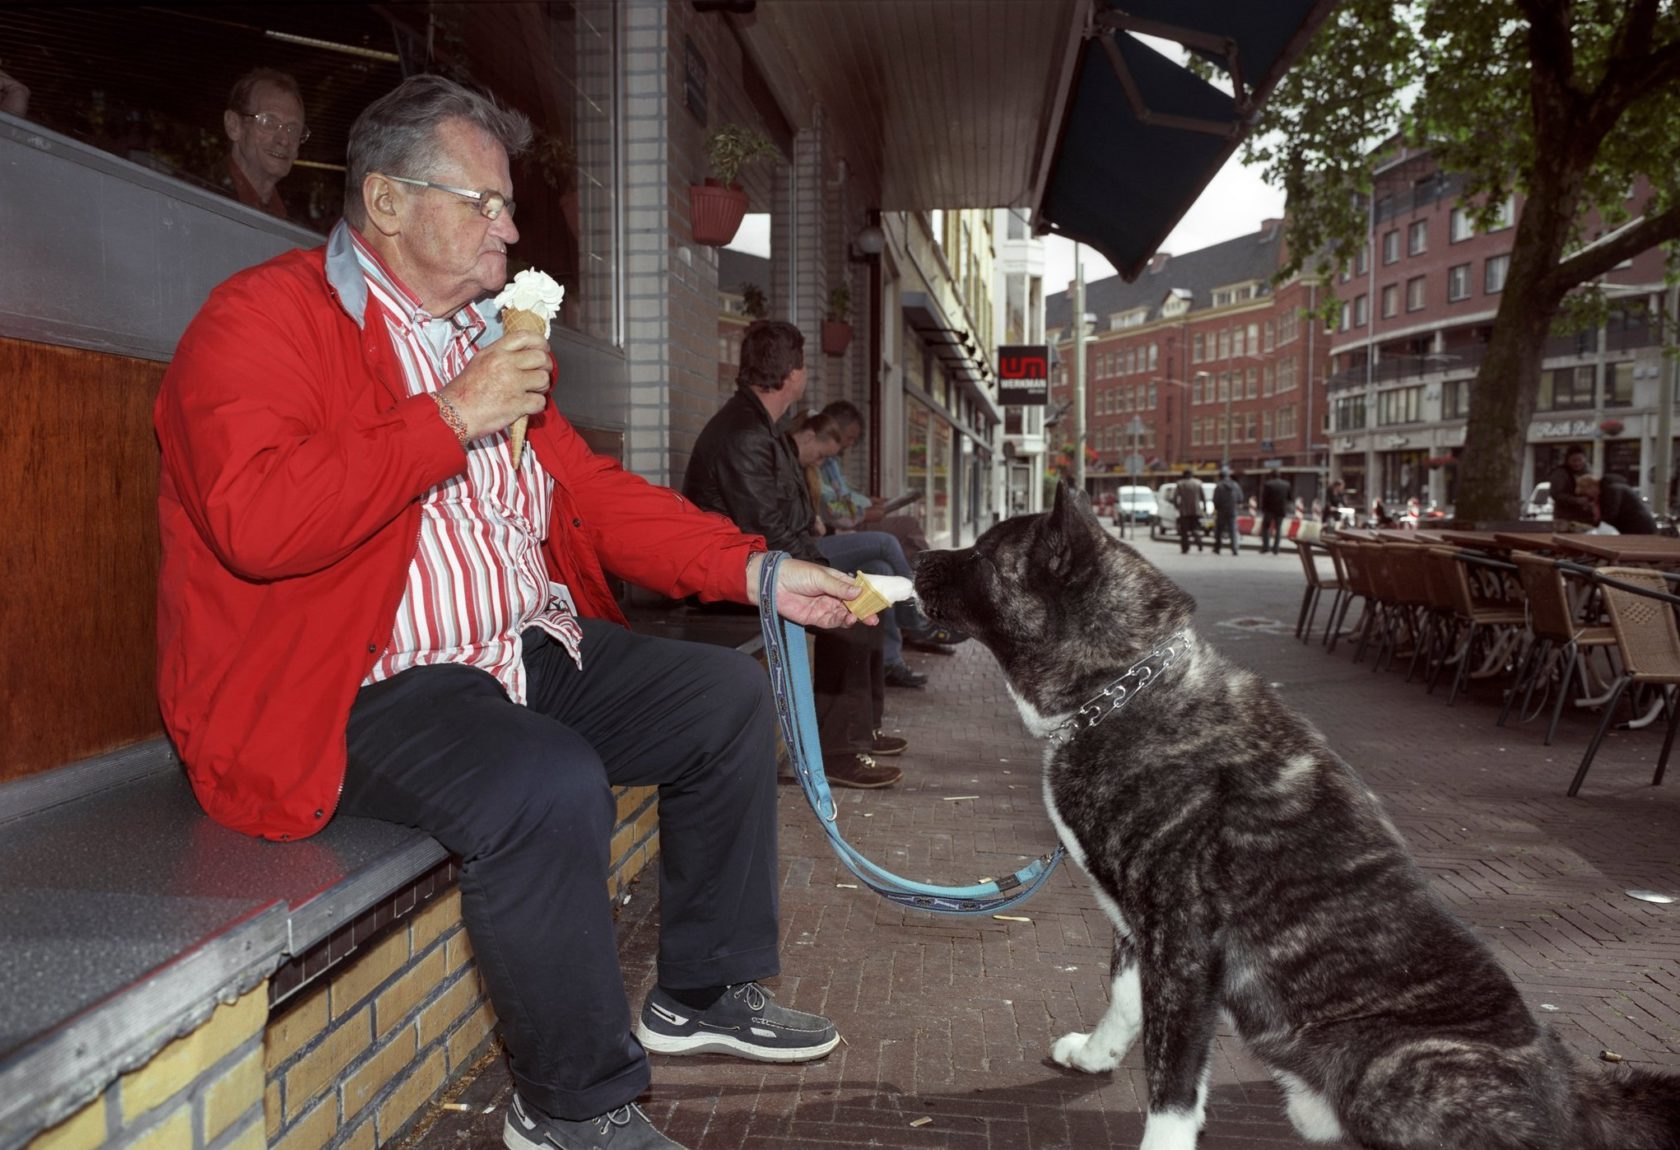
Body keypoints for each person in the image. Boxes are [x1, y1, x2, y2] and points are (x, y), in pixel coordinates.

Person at [155, 75, 867, 1150]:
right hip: (361, 682)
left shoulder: (481, 338)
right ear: (387, 203)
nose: (511, 227)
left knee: (723, 693)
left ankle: (704, 991)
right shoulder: (261, 320)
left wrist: (758, 572)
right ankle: (570, 1106)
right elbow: (256, 519)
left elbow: (597, 500)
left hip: (519, 650)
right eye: (483, 203)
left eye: (508, 206)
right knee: (543, 780)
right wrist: (449, 416)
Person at [683, 320, 906, 788]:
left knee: (866, 606)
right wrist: (825, 574)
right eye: (804, 365)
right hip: (730, 577)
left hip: (753, 565)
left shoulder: (760, 426)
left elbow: (785, 524)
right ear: (792, 375)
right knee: (851, 621)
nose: (806, 374)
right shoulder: (745, 433)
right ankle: (835, 754)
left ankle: (856, 737)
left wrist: (825, 569)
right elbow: (764, 530)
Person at [789, 411, 932, 688]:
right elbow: (827, 511)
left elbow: (835, 501)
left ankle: (890, 660)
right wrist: (818, 520)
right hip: (809, 547)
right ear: (808, 438)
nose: (823, 461)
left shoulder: (809, 465)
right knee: (887, 542)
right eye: (822, 455)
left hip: (821, 538)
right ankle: (917, 614)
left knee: (882, 570)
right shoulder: (795, 466)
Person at [221, 67, 306, 220]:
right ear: (233, 125)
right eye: (269, 122)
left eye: (293, 129)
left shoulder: (298, 222)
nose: (284, 140)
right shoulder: (194, 193)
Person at [1548, 446, 1598, 531]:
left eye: (1580, 460)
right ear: (1567, 460)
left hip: (1585, 518)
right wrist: (1576, 500)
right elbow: (1555, 494)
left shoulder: (1588, 471)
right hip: (1565, 518)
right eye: (1574, 460)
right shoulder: (1560, 473)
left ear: (1585, 459)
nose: (1577, 463)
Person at [1211, 468, 1243, 556]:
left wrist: (1217, 508)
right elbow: (1240, 498)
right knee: (1233, 530)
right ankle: (1234, 548)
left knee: (1219, 531)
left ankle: (1217, 548)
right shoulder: (1235, 485)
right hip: (1232, 510)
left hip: (1221, 511)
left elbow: (1215, 499)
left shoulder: (1219, 486)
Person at [1172, 468, 1205, 554]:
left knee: (1184, 531)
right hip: (1196, 510)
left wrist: (1177, 506)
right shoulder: (1198, 483)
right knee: (1195, 528)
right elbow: (1203, 496)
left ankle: (1185, 548)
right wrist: (1204, 507)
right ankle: (1198, 540)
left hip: (1184, 511)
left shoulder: (1180, 484)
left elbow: (1175, 498)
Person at [1259, 470, 1292, 554]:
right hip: (1280, 510)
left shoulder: (1268, 484)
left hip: (1269, 510)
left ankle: (1266, 547)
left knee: (1266, 528)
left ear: (1271, 476)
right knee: (1278, 529)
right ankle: (1276, 549)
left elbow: (1264, 498)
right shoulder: (1286, 484)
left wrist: (1262, 508)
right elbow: (1290, 498)